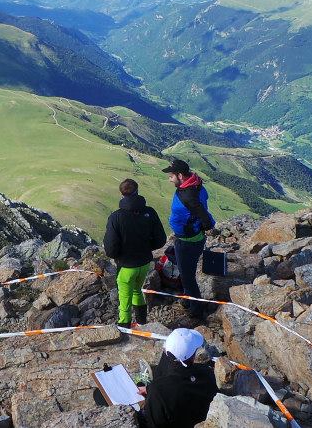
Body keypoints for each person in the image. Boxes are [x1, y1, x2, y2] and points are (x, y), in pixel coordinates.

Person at [104, 179, 167, 327]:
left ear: (122, 194)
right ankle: (142, 322)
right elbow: (161, 239)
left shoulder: (115, 217)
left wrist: (118, 256)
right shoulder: (150, 212)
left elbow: (110, 248)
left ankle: (124, 327)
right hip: (144, 263)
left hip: (126, 266)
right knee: (137, 291)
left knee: (124, 299)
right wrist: (146, 248)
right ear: (137, 191)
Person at [162, 159, 215, 318]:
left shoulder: (188, 196)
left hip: (187, 240)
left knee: (187, 276)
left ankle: (196, 309)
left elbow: (202, 214)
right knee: (187, 271)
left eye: (171, 176)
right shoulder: (195, 185)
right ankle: (187, 298)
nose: (169, 179)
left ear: (180, 175)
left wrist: (197, 227)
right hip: (194, 236)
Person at [139, 328, 218, 428]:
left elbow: (154, 423)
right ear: (193, 356)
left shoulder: (158, 391)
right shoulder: (207, 372)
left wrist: (151, 391)